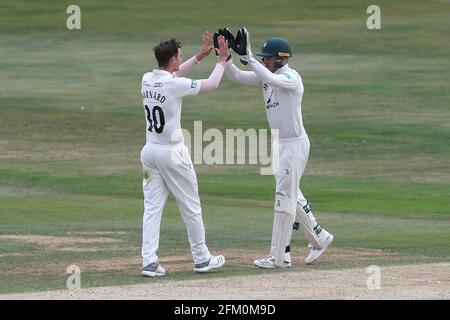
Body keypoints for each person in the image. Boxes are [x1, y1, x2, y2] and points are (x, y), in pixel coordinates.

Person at [219, 27, 334, 268]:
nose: (264, 61)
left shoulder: (291, 78)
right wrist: (227, 59)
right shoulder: (266, 74)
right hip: (280, 144)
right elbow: (238, 77)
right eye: (262, 58)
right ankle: (320, 237)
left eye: (267, 58)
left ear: (281, 58)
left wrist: (248, 56)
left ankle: (279, 256)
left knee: (284, 198)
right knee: (293, 196)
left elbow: (270, 78)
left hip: (294, 145)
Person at [140, 32, 229, 276]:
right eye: (179, 57)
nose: (180, 60)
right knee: (191, 205)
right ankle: (201, 258)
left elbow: (175, 75)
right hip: (173, 154)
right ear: (172, 61)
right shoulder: (173, 84)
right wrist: (221, 62)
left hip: (149, 153)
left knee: (152, 208)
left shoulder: (147, 78)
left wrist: (199, 57)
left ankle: (149, 261)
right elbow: (211, 84)